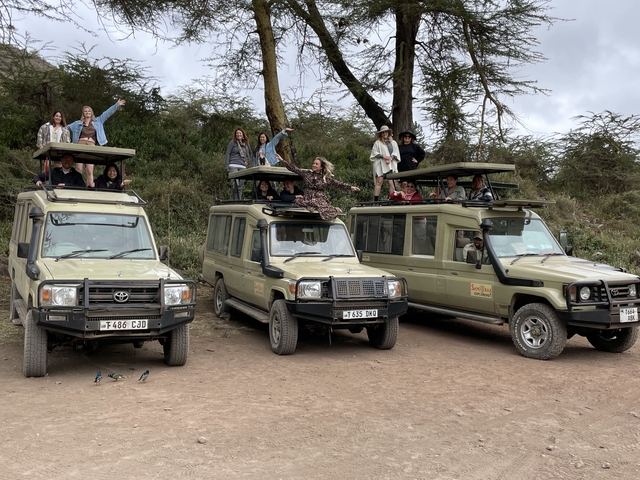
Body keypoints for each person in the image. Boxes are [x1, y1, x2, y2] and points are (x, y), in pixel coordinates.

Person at [276, 154, 360, 220]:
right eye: (313, 163)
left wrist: (350, 187)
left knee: (323, 208)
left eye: (316, 164)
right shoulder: (307, 174)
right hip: (308, 198)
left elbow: (337, 184)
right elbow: (294, 168)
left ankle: (332, 209)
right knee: (300, 201)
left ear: (321, 167)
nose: (314, 165)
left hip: (320, 199)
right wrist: (282, 160)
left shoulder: (325, 178)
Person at [67, 99, 126, 187]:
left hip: (91, 146)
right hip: (80, 146)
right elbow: (65, 128)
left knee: (89, 170)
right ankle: (77, 187)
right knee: (79, 169)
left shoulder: (98, 121)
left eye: (89, 111)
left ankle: (90, 188)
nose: (87, 112)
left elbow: (107, 113)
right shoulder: (77, 123)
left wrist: (117, 104)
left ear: (91, 112)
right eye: (85, 111)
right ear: (83, 114)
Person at [370, 125, 400, 201]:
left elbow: (396, 153)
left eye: (386, 132)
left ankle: (392, 199)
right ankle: (375, 200)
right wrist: (383, 156)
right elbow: (374, 153)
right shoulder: (377, 143)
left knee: (392, 182)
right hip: (380, 164)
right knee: (379, 182)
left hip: (390, 164)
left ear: (388, 132)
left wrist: (390, 159)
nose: (384, 134)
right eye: (383, 132)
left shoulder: (393, 142)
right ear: (381, 134)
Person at [225, 128, 253, 200]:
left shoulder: (246, 143)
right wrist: (227, 165)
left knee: (240, 186)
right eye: (237, 133)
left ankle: (239, 201)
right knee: (235, 185)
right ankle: (234, 201)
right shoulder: (232, 142)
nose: (239, 134)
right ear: (235, 134)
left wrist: (247, 161)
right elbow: (228, 153)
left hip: (242, 166)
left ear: (243, 134)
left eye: (240, 133)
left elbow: (250, 153)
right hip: (233, 165)